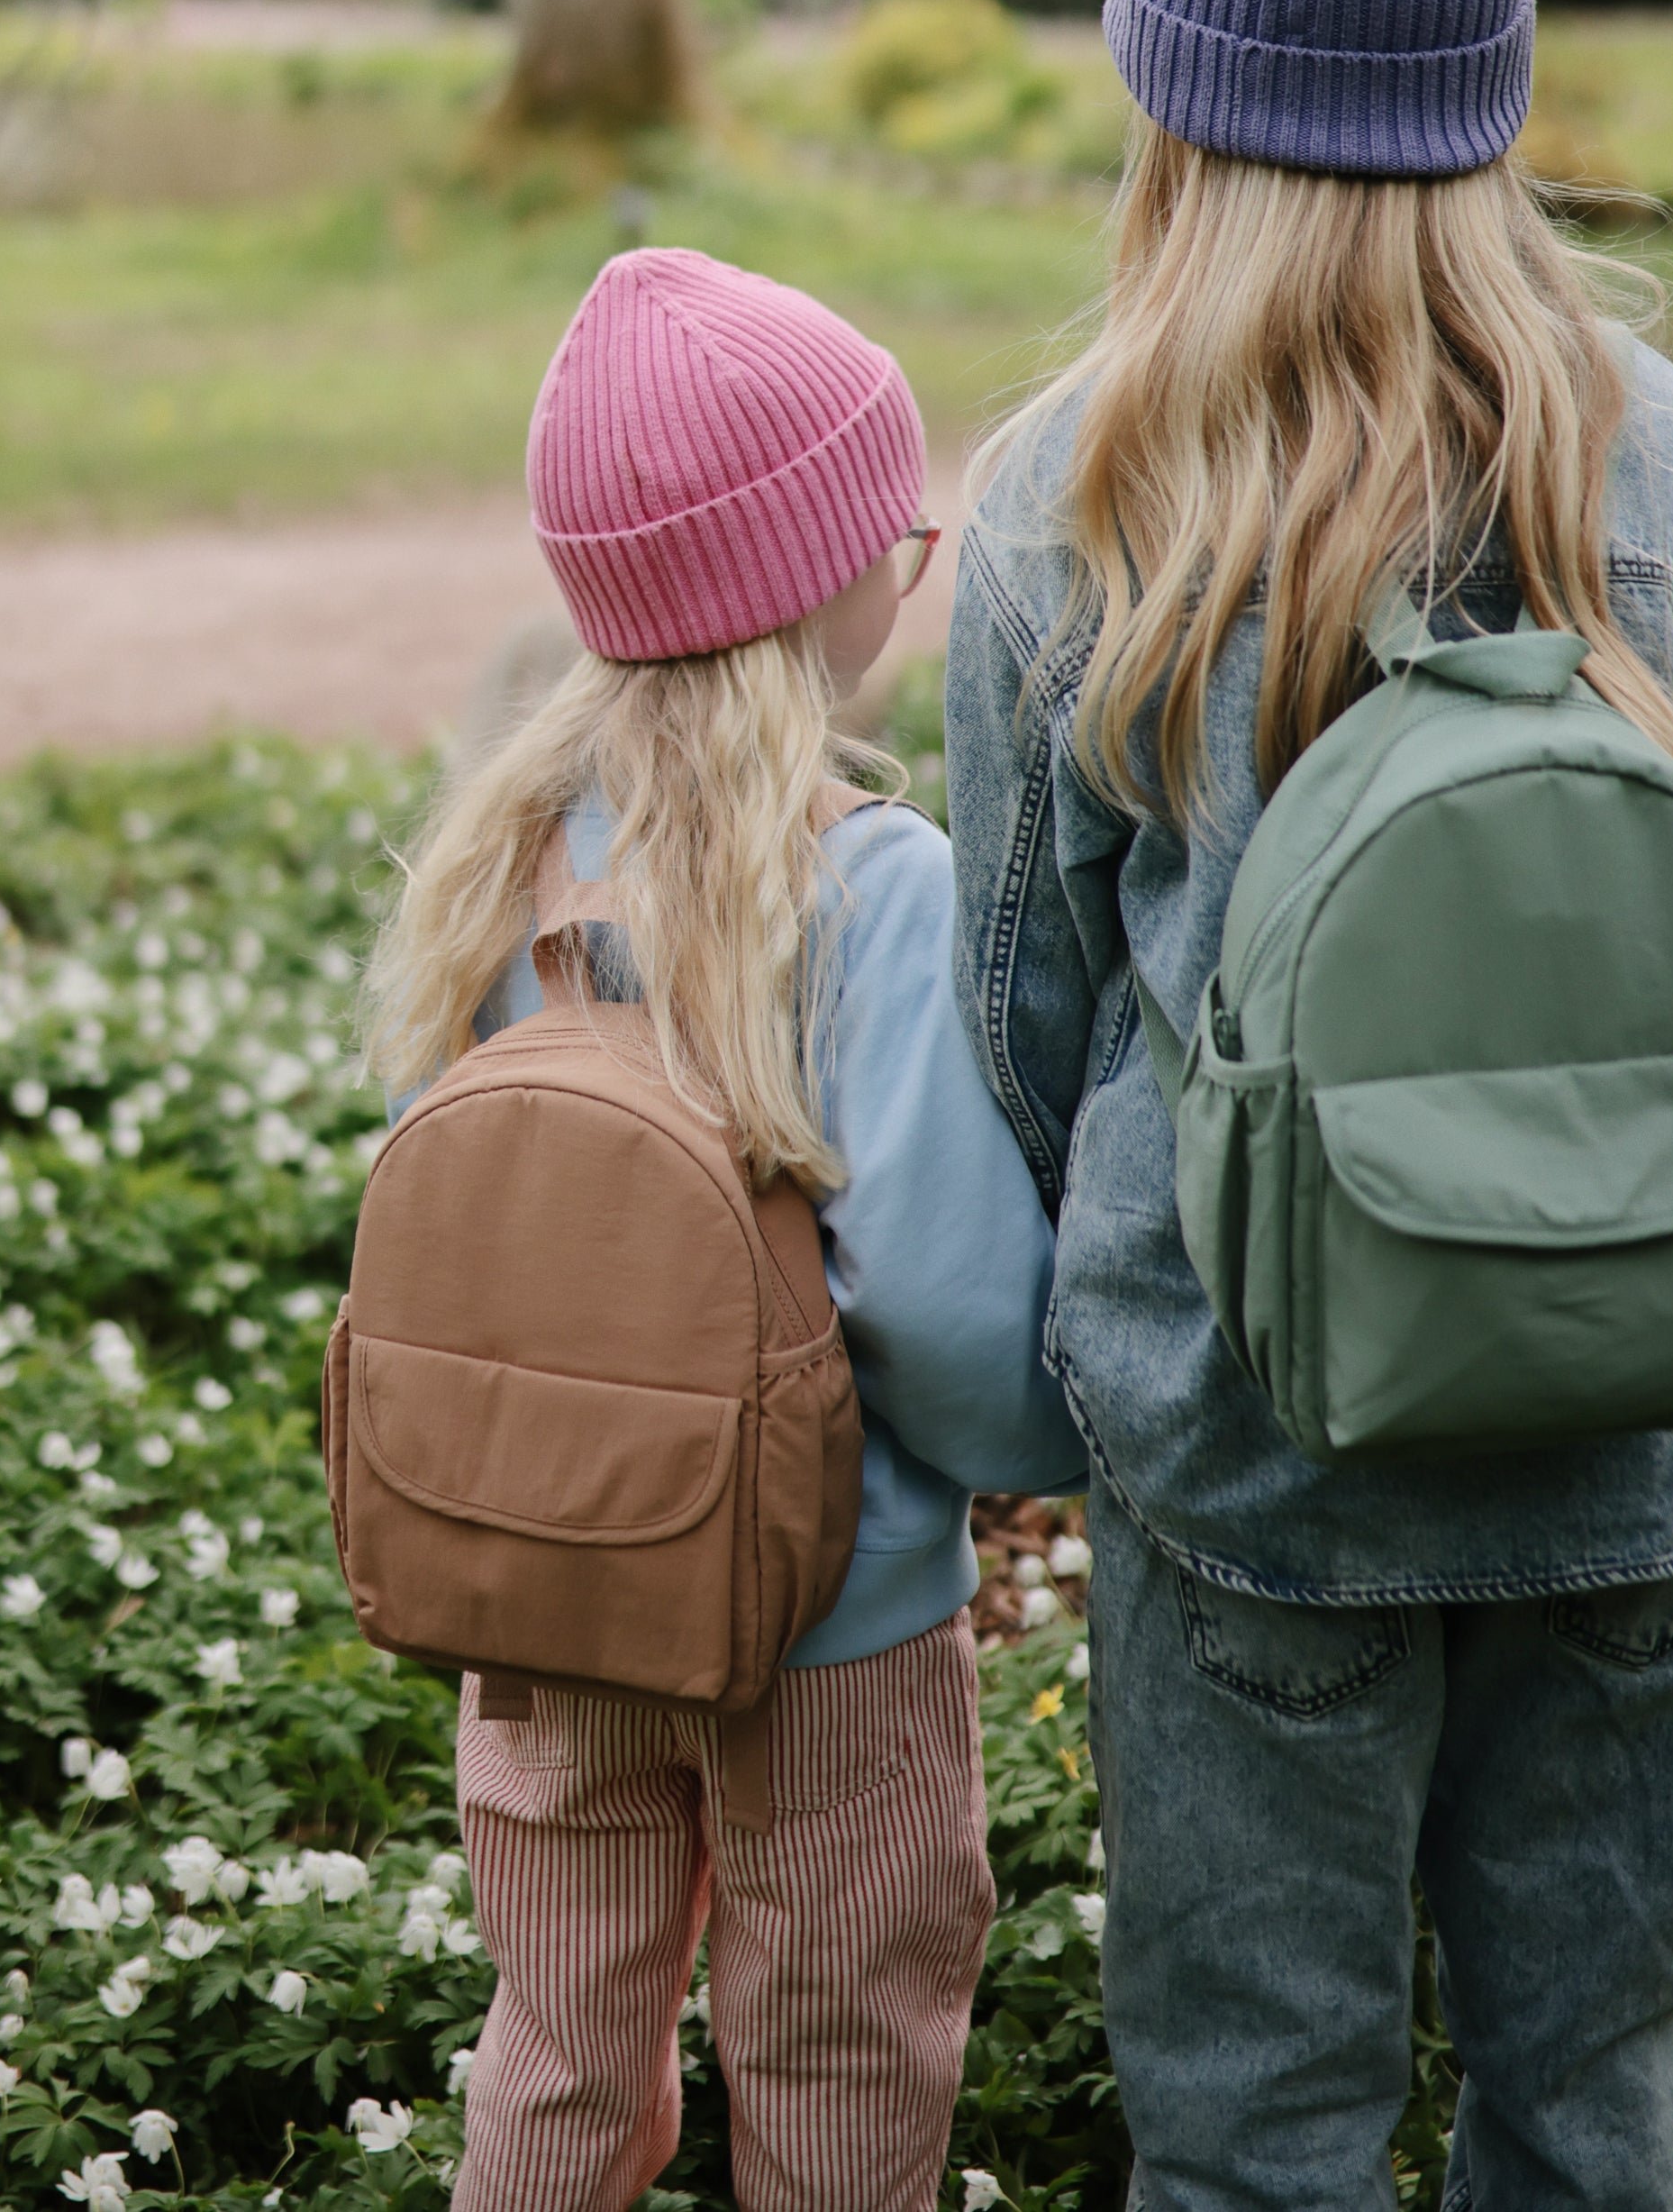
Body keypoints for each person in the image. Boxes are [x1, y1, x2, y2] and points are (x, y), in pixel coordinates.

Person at [941, 0, 1673, 2211]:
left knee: (1256, 2137)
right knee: (1586, 2108)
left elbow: (1025, 1025)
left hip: (1256, 1457)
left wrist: (1130, 1324)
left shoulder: (1078, 503)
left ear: (1171, 85)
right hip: (1632, 1441)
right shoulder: (1659, 464)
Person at [365, 245, 1084, 2212]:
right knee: (843, 2042)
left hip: (549, 1587)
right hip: (822, 1622)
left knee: (561, 2040)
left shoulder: (504, 860)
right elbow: (940, 1303)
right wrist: (1053, 1436)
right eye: (888, 526)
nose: (918, 546)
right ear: (807, 585)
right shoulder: (860, 888)